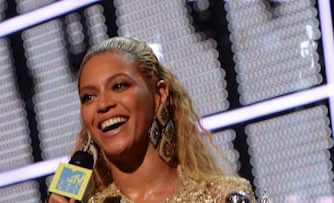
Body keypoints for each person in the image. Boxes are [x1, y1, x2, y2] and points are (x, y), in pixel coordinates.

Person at [48, 37, 256, 203]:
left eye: (119, 86)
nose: (102, 105)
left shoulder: (223, 197)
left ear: (159, 95)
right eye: (89, 97)